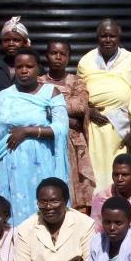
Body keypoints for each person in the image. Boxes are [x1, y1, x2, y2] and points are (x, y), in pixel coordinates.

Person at [0, 47, 69, 226]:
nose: (24, 70)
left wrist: (28, 131)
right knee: (14, 213)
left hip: (43, 162)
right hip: (12, 163)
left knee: (44, 208)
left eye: (29, 66)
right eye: (19, 67)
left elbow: (61, 128)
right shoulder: (5, 96)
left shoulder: (51, 93)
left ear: (38, 69)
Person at [78, 19, 131, 190]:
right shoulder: (86, 61)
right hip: (94, 128)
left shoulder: (129, 59)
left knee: (121, 173)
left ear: (119, 38)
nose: (108, 39)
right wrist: (88, 109)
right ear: (97, 37)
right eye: (104, 36)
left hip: (122, 128)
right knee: (96, 171)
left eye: (112, 36)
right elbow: (78, 93)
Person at [37, 40, 96, 210]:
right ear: (47, 56)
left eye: (63, 54)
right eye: (54, 53)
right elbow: (37, 111)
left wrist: (52, 108)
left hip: (73, 143)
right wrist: (67, 119)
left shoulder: (77, 82)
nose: (58, 57)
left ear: (69, 58)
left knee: (77, 189)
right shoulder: (38, 82)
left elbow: (80, 107)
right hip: (47, 141)